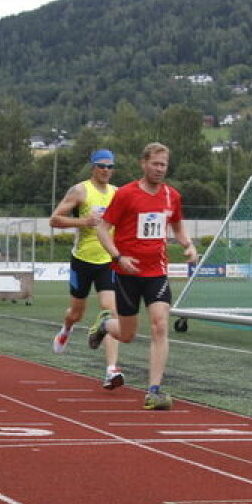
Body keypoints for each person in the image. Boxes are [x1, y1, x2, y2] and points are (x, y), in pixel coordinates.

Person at [88, 142, 198, 410]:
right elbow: (103, 230)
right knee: (126, 334)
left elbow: (178, 227)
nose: (160, 169)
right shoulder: (126, 194)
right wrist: (118, 257)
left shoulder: (172, 196)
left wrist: (189, 245)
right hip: (126, 272)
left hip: (157, 271)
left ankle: (154, 391)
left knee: (160, 325)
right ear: (144, 164)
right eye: (155, 164)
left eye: (164, 165)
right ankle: (105, 325)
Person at [49, 149, 124, 389]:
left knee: (111, 312)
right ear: (93, 167)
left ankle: (111, 370)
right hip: (82, 260)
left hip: (107, 261)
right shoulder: (80, 191)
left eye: (110, 167)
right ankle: (67, 328)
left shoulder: (119, 194)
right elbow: (55, 220)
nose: (106, 170)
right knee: (76, 313)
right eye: (102, 166)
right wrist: (84, 221)